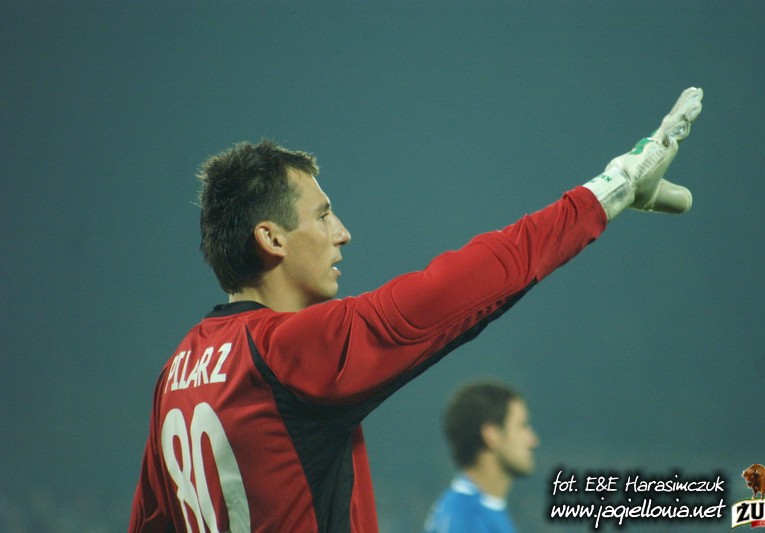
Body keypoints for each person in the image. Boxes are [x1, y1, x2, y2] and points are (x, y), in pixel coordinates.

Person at [128, 87, 703, 532]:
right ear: (272, 239)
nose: (342, 233)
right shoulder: (288, 351)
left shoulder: (174, 376)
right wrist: (612, 188)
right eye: (323, 216)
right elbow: (466, 285)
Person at [423, 381, 538, 533]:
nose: (533, 441)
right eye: (522, 426)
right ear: (492, 434)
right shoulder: (465, 519)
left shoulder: (486, 509)